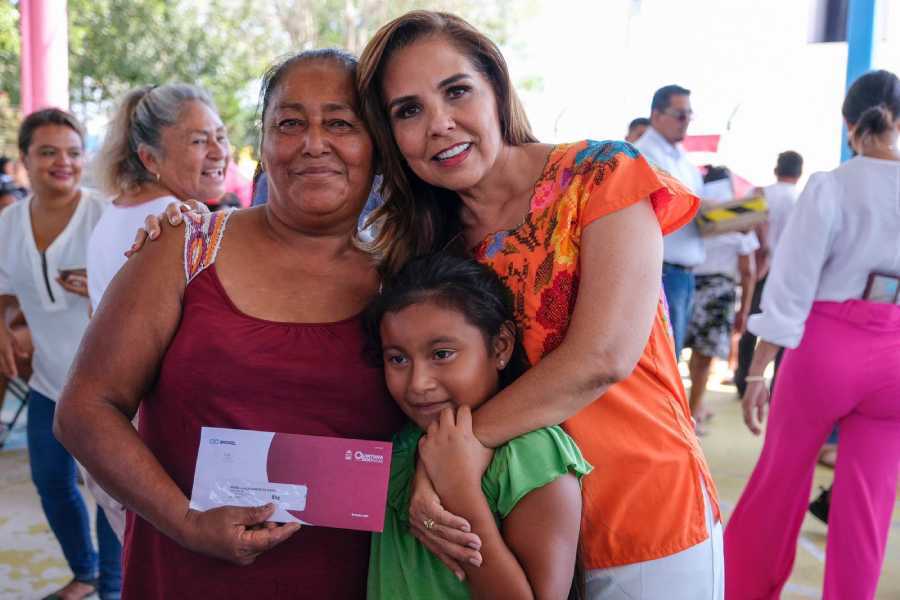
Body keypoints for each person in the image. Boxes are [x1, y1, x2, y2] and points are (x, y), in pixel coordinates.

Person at [357, 11, 723, 598]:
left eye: (456, 92)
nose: (440, 125)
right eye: (408, 110)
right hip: (507, 542)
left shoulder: (599, 175)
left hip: (641, 517)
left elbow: (602, 357)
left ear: (496, 91)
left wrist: (446, 457)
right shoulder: (427, 249)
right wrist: (193, 227)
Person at [54, 49, 404, 599]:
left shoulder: (407, 279)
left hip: (355, 576)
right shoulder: (185, 248)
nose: (315, 143)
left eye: (341, 123)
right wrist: (186, 522)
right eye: (290, 123)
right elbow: (84, 409)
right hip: (188, 570)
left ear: (378, 144)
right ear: (262, 145)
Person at [725, 70, 900, 600]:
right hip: (895, 355)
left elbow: (791, 287)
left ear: (848, 123)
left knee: (777, 487)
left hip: (825, 346)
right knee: (869, 509)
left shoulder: (829, 185)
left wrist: (758, 369)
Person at [365, 253, 590, 599]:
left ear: (500, 346)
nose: (418, 384)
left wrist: (458, 490)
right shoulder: (401, 446)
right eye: (397, 359)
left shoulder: (533, 454)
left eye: (442, 354)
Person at [0, 109, 120, 600]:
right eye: (48, 152)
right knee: (51, 482)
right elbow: (5, 291)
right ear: (25, 160)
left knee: (110, 492)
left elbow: (143, 291)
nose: (62, 163)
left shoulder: (106, 214)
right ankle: (85, 572)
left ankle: (113, 587)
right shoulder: (8, 222)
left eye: (73, 152)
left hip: (110, 386)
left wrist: (102, 285)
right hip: (49, 381)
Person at [88, 83, 230, 308]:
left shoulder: (115, 210)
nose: (219, 151)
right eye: (199, 141)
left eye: (221, 137)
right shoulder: (173, 220)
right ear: (150, 158)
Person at [633, 84, 705, 357]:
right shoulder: (644, 155)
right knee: (661, 359)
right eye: (679, 114)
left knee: (672, 358)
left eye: (689, 114)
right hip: (661, 270)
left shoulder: (683, 161)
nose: (685, 121)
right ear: (656, 115)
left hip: (683, 272)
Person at [685, 166, 758, 430]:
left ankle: (688, 411)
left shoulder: (691, 215)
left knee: (676, 355)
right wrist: (745, 308)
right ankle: (691, 414)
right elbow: (748, 271)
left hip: (686, 284)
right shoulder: (739, 221)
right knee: (704, 358)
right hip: (719, 291)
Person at [733, 150, 803, 397]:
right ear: (799, 173)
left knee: (750, 326)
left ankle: (743, 380)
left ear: (776, 169)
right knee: (782, 331)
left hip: (758, 271)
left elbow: (740, 227)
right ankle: (777, 388)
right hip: (788, 276)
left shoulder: (759, 194)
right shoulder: (803, 199)